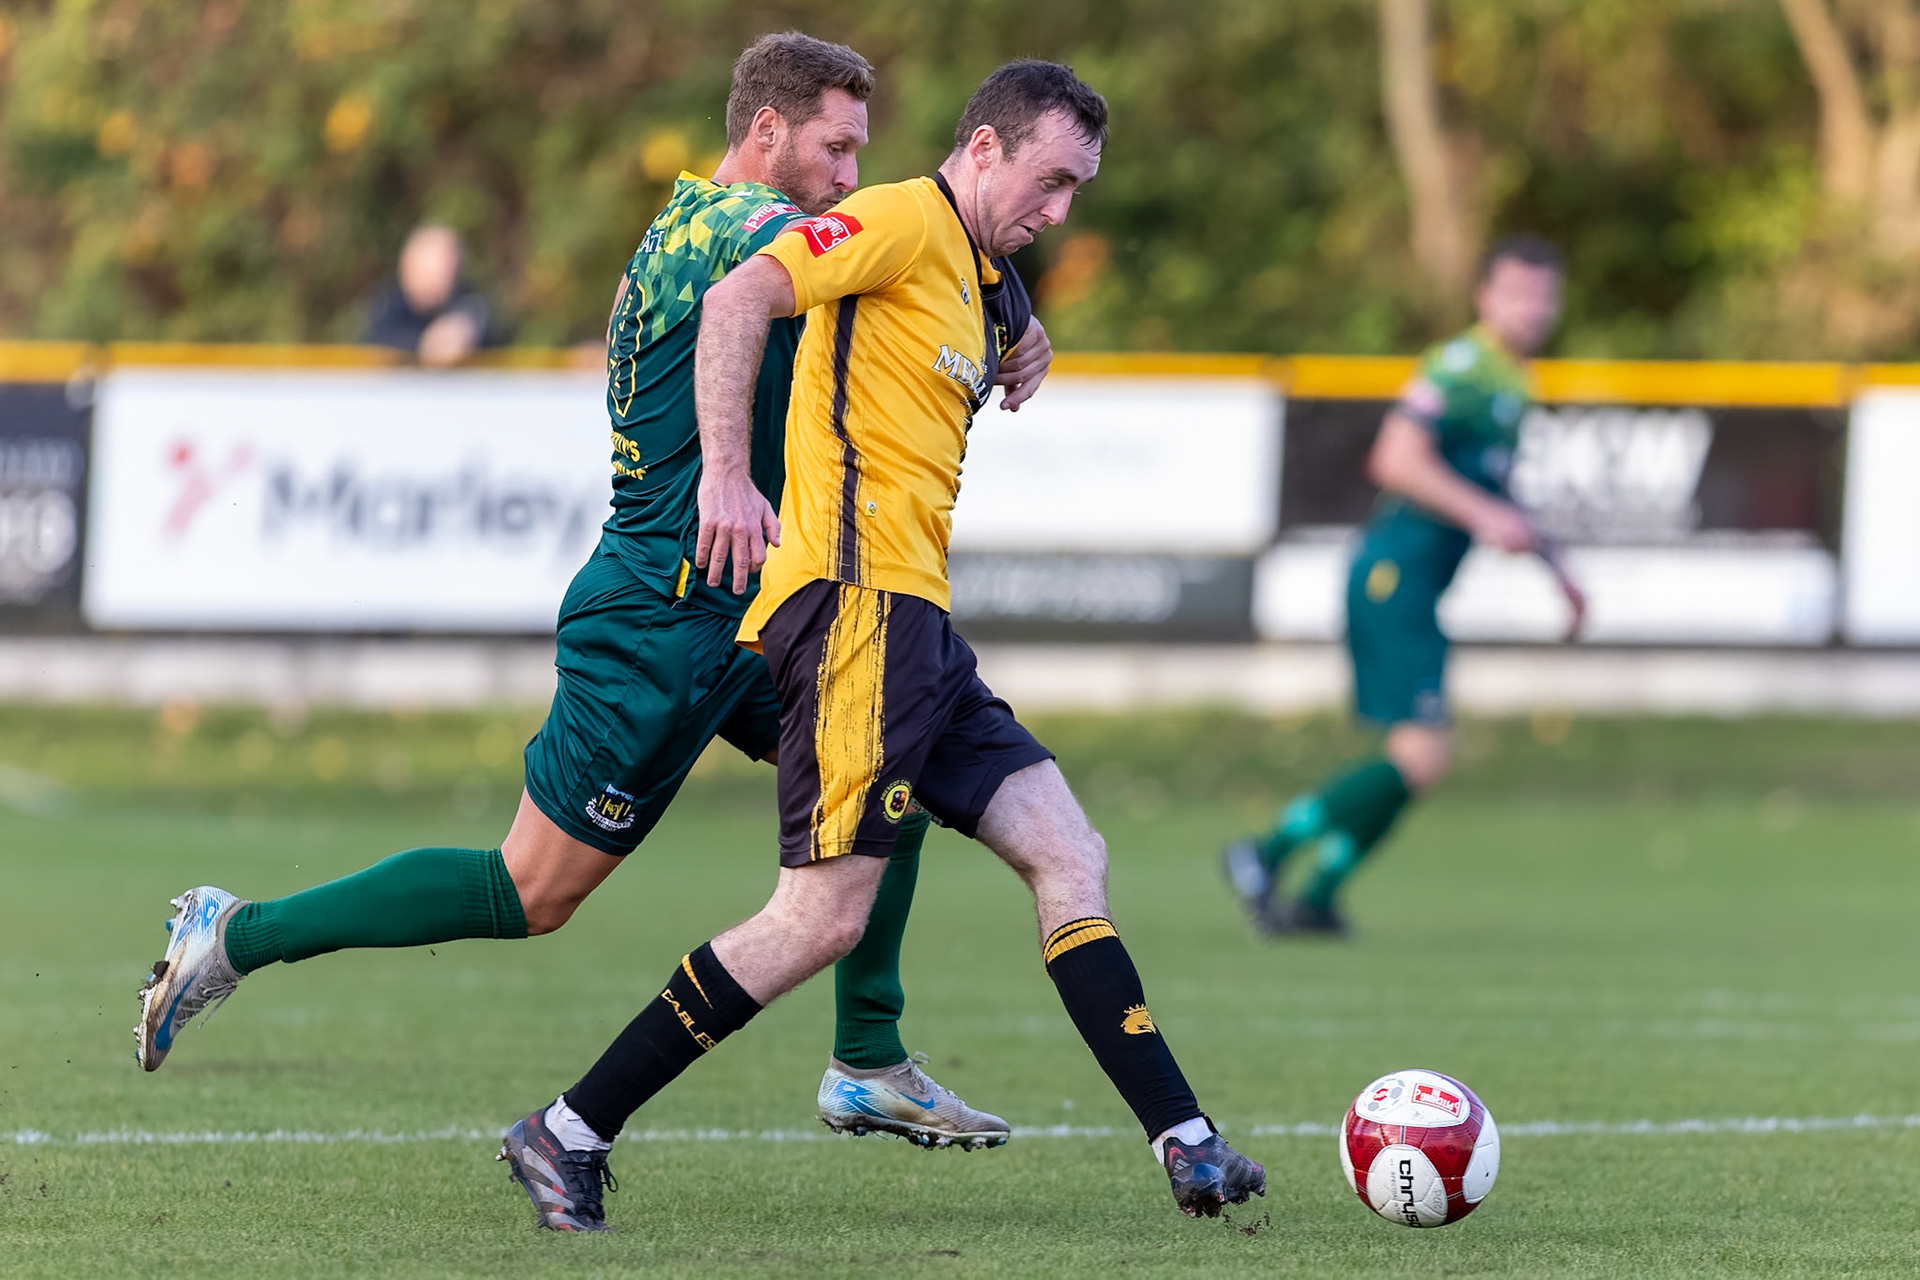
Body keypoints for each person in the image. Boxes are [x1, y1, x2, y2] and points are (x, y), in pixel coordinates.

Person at [138, 32, 1017, 1156]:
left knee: (898, 749)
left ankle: (869, 1057)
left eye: (860, 154)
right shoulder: (736, 228)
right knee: (529, 890)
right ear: (766, 133)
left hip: (746, 608)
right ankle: (239, 931)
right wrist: (1009, 296)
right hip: (659, 612)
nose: (851, 176)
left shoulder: (699, 226)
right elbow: (897, 245)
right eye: (835, 149)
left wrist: (1006, 307)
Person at [496, 58, 1265, 1233]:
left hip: (921, 627)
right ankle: (569, 1128)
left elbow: (987, 295)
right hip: (851, 607)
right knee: (823, 915)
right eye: (1051, 181)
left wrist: (1026, 326)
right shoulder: (901, 217)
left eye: (1079, 192)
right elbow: (742, 295)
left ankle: (1190, 1143)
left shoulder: (972, 267)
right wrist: (725, 473)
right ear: (987, 149)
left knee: (1069, 848)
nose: (1061, 210)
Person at [1224, 234, 1585, 936]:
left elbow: (1502, 497)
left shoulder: (1513, 382)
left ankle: (1317, 894)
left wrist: (1559, 573)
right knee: (1423, 755)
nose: (1532, 309)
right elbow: (1395, 458)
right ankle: (1266, 853)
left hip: (1415, 590)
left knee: (1417, 760)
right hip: (1393, 580)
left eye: (1544, 295)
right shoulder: (1463, 366)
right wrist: (1484, 518)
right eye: (1517, 293)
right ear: (1485, 298)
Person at [363, 224, 503, 367]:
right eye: (429, 271)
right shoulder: (387, 304)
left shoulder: (470, 302)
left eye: (445, 270)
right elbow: (377, 343)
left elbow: (498, 336)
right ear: (406, 266)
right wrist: (426, 344)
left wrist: (468, 333)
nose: (438, 279)